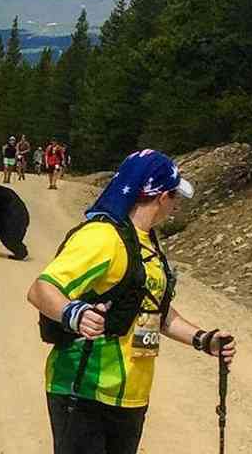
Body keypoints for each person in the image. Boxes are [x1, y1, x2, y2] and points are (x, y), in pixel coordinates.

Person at [26, 149, 236, 454]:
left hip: (132, 396)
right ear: (162, 197)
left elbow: (153, 309)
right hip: (84, 390)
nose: (177, 205)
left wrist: (203, 339)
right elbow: (41, 289)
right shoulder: (102, 237)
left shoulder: (148, 242)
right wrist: (75, 314)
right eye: (176, 196)